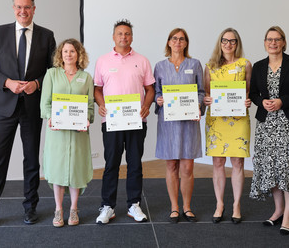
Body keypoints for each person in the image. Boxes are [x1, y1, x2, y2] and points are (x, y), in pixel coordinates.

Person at [0, 0, 56, 224]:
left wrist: (36, 84)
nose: (23, 11)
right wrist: (7, 83)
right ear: (13, 8)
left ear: (34, 9)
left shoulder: (47, 36)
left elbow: (52, 71)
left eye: (27, 7)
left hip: (31, 107)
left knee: (30, 159)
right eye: (18, 7)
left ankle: (30, 208)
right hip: (4, 107)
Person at [94, 19, 155, 224]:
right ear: (113, 36)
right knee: (111, 164)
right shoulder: (102, 61)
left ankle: (134, 204)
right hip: (111, 121)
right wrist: (101, 104)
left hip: (136, 121)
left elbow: (150, 89)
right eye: (120, 33)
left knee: (135, 163)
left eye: (127, 34)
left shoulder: (142, 60)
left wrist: (146, 105)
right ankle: (108, 206)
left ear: (132, 37)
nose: (124, 37)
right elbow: (97, 89)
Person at [40, 38, 94, 227]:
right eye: (65, 51)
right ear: (60, 55)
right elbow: (45, 103)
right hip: (58, 132)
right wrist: (50, 117)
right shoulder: (52, 75)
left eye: (72, 51)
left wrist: (87, 119)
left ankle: (73, 209)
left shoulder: (86, 77)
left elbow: (89, 106)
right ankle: (58, 210)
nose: (69, 55)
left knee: (76, 170)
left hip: (78, 133)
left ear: (78, 54)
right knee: (58, 170)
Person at [154, 28, 204, 223]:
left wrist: (198, 107)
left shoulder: (195, 64)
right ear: (168, 42)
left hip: (189, 123)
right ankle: (174, 207)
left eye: (181, 39)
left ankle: (187, 207)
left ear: (186, 43)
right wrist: (158, 99)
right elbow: (157, 92)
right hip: (168, 123)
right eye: (174, 39)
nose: (177, 42)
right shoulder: (159, 66)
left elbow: (200, 91)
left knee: (187, 167)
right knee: (172, 165)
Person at [203, 28, 252, 224]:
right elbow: (207, 93)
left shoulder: (245, 65)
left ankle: (236, 204)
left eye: (233, 41)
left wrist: (247, 101)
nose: (228, 44)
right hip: (216, 121)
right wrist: (206, 100)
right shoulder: (210, 67)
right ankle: (220, 204)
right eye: (225, 40)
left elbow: (248, 91)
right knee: (218, 163)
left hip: (239, 120)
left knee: (238, 163)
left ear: (237, 44)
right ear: (220, 42)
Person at [249, 26, 289, 235]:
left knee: (286, 169)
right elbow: (253, 93)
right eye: (269, 39)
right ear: (265, 42)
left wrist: (282, 101)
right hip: (265, 125)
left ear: (283, 42)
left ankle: (288, 217)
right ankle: (278, 210)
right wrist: (261, 101)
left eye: (277, 39)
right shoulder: (258, 66)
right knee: (272, 168)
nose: (273, 43)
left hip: (286, 124)